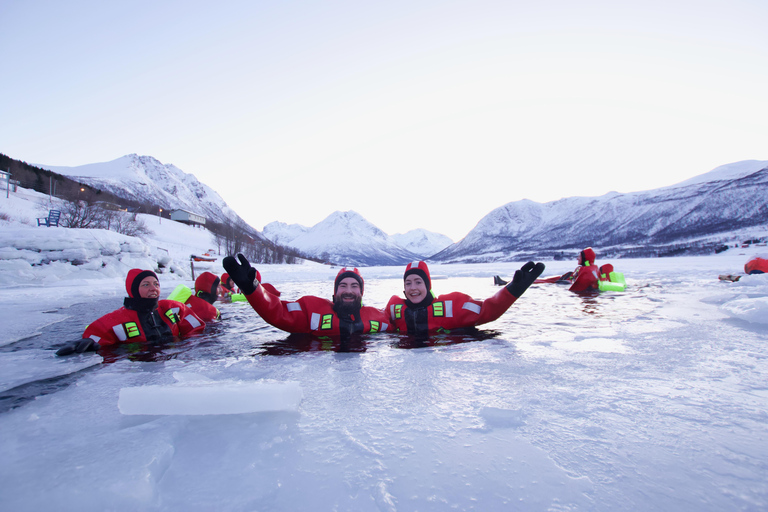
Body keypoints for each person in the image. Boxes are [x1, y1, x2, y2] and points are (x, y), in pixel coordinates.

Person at [222, 254, 391, 337]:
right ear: (335, 291)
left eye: (354, 286)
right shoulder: (312, 311)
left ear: (361, 292)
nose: (348, 290)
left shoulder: (377, 317)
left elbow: (400, 326)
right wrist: (252, 290)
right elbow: (279, 313)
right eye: (343, 285)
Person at [55, 269, 206, 355]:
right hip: (137, 368)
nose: (153, 288)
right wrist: (90, 342)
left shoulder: (173, 308)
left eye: (156, 284)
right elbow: (96, 336)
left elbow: (198, 331)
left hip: (173, 364)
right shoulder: (115, 321)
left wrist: (186, 350)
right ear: (133, 289)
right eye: (146, 284)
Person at [387, 260, 545, 335]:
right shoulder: (395, 309)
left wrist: (512, 290)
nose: (413, 288)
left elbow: (487, 311)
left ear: (428, 286)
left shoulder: (452, 306)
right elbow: (373, 319)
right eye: (408, 283)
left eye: (418, 282)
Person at [532, 247, 600, 292]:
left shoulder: (587, 270)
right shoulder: (589, 268)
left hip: (566, 280)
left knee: (544, 281)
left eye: (579, 257)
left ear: (585, 258)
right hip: (566, 277)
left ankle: (530, 281)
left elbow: (577, 287)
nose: (577, 258)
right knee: (544, 280)